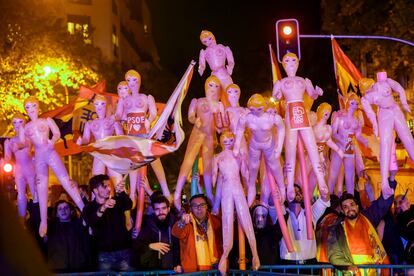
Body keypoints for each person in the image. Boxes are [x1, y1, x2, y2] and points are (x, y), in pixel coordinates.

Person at [22, 96, 84, 237]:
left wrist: (53, 140)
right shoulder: (26, 128)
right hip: (39, 157)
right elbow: (27, 145)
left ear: (38, 107)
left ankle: (83, 209)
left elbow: (57, 133)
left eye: (33, 106)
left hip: (50, 152)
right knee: (41, 186)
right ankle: (44, 221)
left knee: (66, 181)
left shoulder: (47, 120)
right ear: (25, 110)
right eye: (27, 107)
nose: (31, 110)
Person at [272, 52, 328, 202]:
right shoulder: (281, 82)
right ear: (283, 65)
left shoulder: (304, 80)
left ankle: (321, 181)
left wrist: (317, 92)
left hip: (302, 114)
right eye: (287, 61)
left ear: (297, 63)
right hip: (290, 114)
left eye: (293, 60)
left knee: (312, 148)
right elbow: (275, 96)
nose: (291, 63)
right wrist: (276, 96)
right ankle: (289, 186)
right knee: (290, 151)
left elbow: (312, 94)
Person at [115, 69, 170, 203]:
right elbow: (118, 116)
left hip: (144, 133)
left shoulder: (146, 98)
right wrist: (118, 118)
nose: (132, 83)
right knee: (134, 163)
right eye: (128, 80)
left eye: (134, 80)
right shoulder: (123, 101)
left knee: (154, 158)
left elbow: (152, 113)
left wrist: (148, 120)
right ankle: (132, 194)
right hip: (132, 136)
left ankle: (166, 190)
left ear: (139, 81)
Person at [212, 131, 260, 274]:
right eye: (225, 140)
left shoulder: (237, 154)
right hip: (227, 188)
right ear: (221, 141)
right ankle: (225, 255)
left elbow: (245, 172)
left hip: (237, 187)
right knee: (227, 220)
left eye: (230, 140)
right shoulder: (217, 157)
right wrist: (213, 180)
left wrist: (250, 175)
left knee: (246, 218)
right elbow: (215, 176)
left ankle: (255, 254)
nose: (228, 142)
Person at [174, 76, 225, 210]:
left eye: (216, 86)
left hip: (209, 137)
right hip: (197, 133)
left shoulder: (219, 105)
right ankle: (177, 192)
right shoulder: (197, 101)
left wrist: (220, 120)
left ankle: (209, 194)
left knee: (208, 167)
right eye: (210, 85)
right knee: (188, 160)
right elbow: (190, 116)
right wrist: (194, 119)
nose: (213, 89)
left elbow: (220, 125)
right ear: (206, 86)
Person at [327, 177, 396, 275]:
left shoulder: (368, 216)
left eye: (352, 204)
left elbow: (382, 205)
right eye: (345, 207)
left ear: (357, 206)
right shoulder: (337, 229)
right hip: (352, 272)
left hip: (375, 271)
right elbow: (334, 254)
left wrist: (391, 181)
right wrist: (348, 266)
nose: (350, 209)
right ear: (342, 211)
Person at [361, 71, 414, 196]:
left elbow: (400, 88)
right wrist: (375, 126)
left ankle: (386, 182)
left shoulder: (386, 82)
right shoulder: (366, 98)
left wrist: (404, 103)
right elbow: (371, 114)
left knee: (408, 140)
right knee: (386, 146)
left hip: (395, 109)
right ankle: (384, 183)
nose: (370, 90)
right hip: (384, 115)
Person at [234, 93, 285, 207]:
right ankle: (251, 191)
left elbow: (281, 128)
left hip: (269, 145)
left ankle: (282, 187)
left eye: (259, 109)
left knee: (274, 166)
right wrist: (236, 146)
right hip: (255, 145)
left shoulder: (271, 117)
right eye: (253, 109)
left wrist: (279, 145)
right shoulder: (247, 118)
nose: (256, 111)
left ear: (264, 107)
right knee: (253, 169)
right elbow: (240, 129)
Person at [82, 174, 133, 271]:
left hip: (124, 251)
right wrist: (103, 207)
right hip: (104, 255)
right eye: (105, 186)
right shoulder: (89, 208)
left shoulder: (115, 201)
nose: (109, 189)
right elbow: (92, 222)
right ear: (95, 190)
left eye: (109, 185)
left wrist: (121, 192)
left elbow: (128, 205)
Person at [278, 184, 330, 265]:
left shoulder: (310, 213)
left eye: (299, 191)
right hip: (288, 266)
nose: (297, 193)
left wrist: (320, 178)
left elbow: (325, 199)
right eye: (293, 191)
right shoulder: (281, 214)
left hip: (309, 265)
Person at [327, 93, 368, 196]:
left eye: (356, 103)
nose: (355, 105)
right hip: (339, 149)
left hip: (349, 148)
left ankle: (350, 197)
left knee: (350, 176)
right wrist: (340, 139)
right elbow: (333, 132)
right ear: (348, 103)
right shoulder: (340, 117)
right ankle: (327, 198)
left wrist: (364, 140)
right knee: (333, 174)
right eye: (353, 103)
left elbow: (358, 136)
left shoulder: (356, 120)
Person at [77, 95, 123, 184]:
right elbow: (86, 138)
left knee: (118, 181)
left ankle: (121, 196)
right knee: (97, 181)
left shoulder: (111, 120)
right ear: (94, 107)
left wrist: (116, 123)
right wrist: (81, 141)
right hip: (98, 153)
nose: (99, 107)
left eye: (102, 104)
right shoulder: (90, 123)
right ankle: (97, 197)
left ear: (106, 106)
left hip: (111, 153)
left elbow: (121, 136)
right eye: (97, 104)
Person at [172, 194, 223, 273]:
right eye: (195, 206)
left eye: (202, 205)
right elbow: (176, 232)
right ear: (191, 208)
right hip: (193, 269)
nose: (199, 208)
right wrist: (182, 222)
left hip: (216, 267)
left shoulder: (216, 221)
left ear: (207, 206)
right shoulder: (187, 222)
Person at [131, 195, 182, 272]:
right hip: (155, 270)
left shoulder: (177, 224)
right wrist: (150, 246)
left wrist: (179, 264)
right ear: (154, 211)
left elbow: (182, 247)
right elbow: (136, 246)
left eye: (163, 208)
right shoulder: (149, 225)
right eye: (157, 209)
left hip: (174, 270)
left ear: (168, 209)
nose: (161, 212)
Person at [4, 112, 38, 218]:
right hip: (18, 169)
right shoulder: (10, 141)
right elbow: (7, 158)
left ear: (25, 123)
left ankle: (39, 218)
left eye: (20, 122)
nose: (17, 124)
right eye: (14, 122)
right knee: (21, 195)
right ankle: (22, 219)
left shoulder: (30, 138)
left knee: (35, 193)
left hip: (30, 168)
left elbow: (32, 151)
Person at [46, 199, 93, 273]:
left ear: (71, 211)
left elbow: (88, 214)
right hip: (58, 268)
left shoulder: (79, 224)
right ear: (57, 214)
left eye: (66, 208)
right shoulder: (52, 227)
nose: (63, 210)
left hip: (78, 269)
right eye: (60, 209)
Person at [308, 103, 344, 195]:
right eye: (325, 113)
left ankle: (316, 196)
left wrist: (338, 150)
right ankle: (308, 196)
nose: (326, 115)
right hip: (310, 156)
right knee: (311, 175)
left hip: (321, 155)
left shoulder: (328, 128)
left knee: (321, 175)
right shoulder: (313, 128)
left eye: (328, 113)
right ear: (320, 112)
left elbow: (329, 141)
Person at [198, 30, 235, 106]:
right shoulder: (204, 52)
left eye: (209, 39)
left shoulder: (222, 47)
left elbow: (230, 59)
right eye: (205, 41)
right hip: (214, 77)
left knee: (231, 93)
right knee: (213, 97)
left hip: (224, 73)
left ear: (213, 37)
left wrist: (230, 66)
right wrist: (201, 68)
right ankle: (216, 112)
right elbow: (202, 64)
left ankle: (234, 109)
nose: (208, 42)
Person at [395, 193, 414, 263]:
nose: (398, 206)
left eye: (401, 202)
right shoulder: (397, 219)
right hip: (407, 257)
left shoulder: (412, 212)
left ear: (408, 202)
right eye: (397, 203)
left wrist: (406, 210)